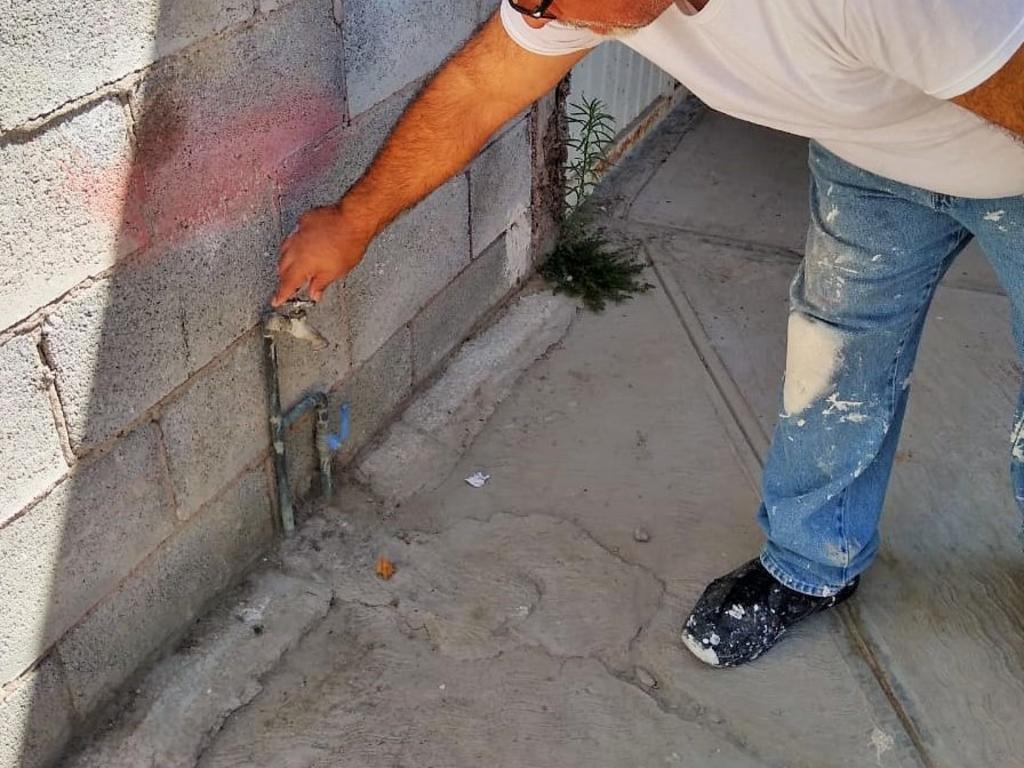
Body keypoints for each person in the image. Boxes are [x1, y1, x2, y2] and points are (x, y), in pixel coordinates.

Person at [273, 0, 1024, 667]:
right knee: (835, 354)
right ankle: (809, 560)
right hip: (871, 158)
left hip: (1010, 165)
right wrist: (354, 218)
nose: (533, 13)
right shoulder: (567, 5)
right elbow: (477, 89)